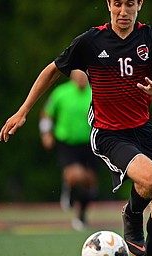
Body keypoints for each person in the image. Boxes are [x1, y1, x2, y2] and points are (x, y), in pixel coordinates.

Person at [0, 0, 152, 255]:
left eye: (129, 4)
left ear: (139, 4)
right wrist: (23, 111)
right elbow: (52, 70)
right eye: (117, 4)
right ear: (109, 4)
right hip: (108, 133)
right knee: (151, 179)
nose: (123, 11)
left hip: (143, 130)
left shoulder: (150, 38)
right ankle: (131, 215)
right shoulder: (92, 41)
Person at [39, 69, 100, 231]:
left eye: (84, 75)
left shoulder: (96, 92)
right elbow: (47, 114)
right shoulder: (61, 93)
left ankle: (81, 217)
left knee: (90, 182)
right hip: (67, 142)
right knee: (75, 174)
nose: (81, 78)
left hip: (91, 143)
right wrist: (46, 133)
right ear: (72, 75)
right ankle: (70, 191)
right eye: (77, 74)